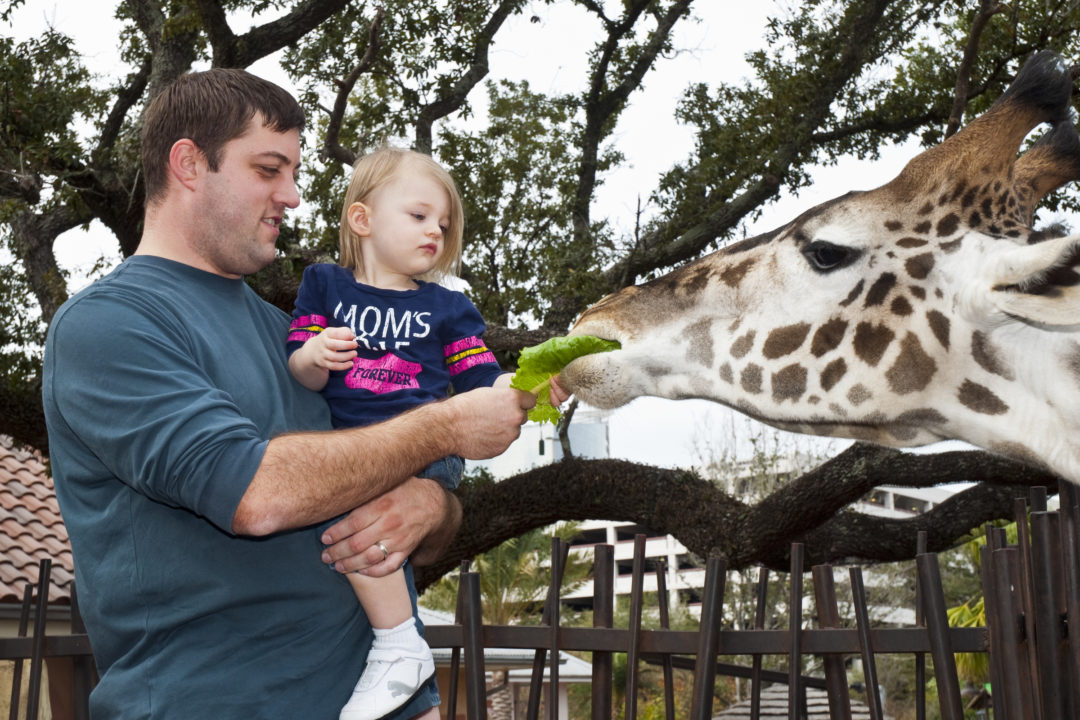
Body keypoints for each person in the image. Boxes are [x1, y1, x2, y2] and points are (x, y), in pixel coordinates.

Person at [40, 68, 539, 720]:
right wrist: (444, 427)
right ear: (189, 163)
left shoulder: (298, 338)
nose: (295, 195)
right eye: (268, 169)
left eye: (294, 172)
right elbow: (254, 495)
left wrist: (431, 506)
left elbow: (391, 490)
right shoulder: (110, 325)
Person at [287, 146, 512, 720]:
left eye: (443, 223)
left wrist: (524, 387)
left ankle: (398, 646)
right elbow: (300, 369)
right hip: (356, 452)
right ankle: (407, 672)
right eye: (418, 216)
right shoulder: (324, 287)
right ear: (362, 220)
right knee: (362, 527)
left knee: (363, 522)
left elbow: (482, 379)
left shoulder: (449, 307)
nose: (435, 231)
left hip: (425, 455)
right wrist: (315, 353)